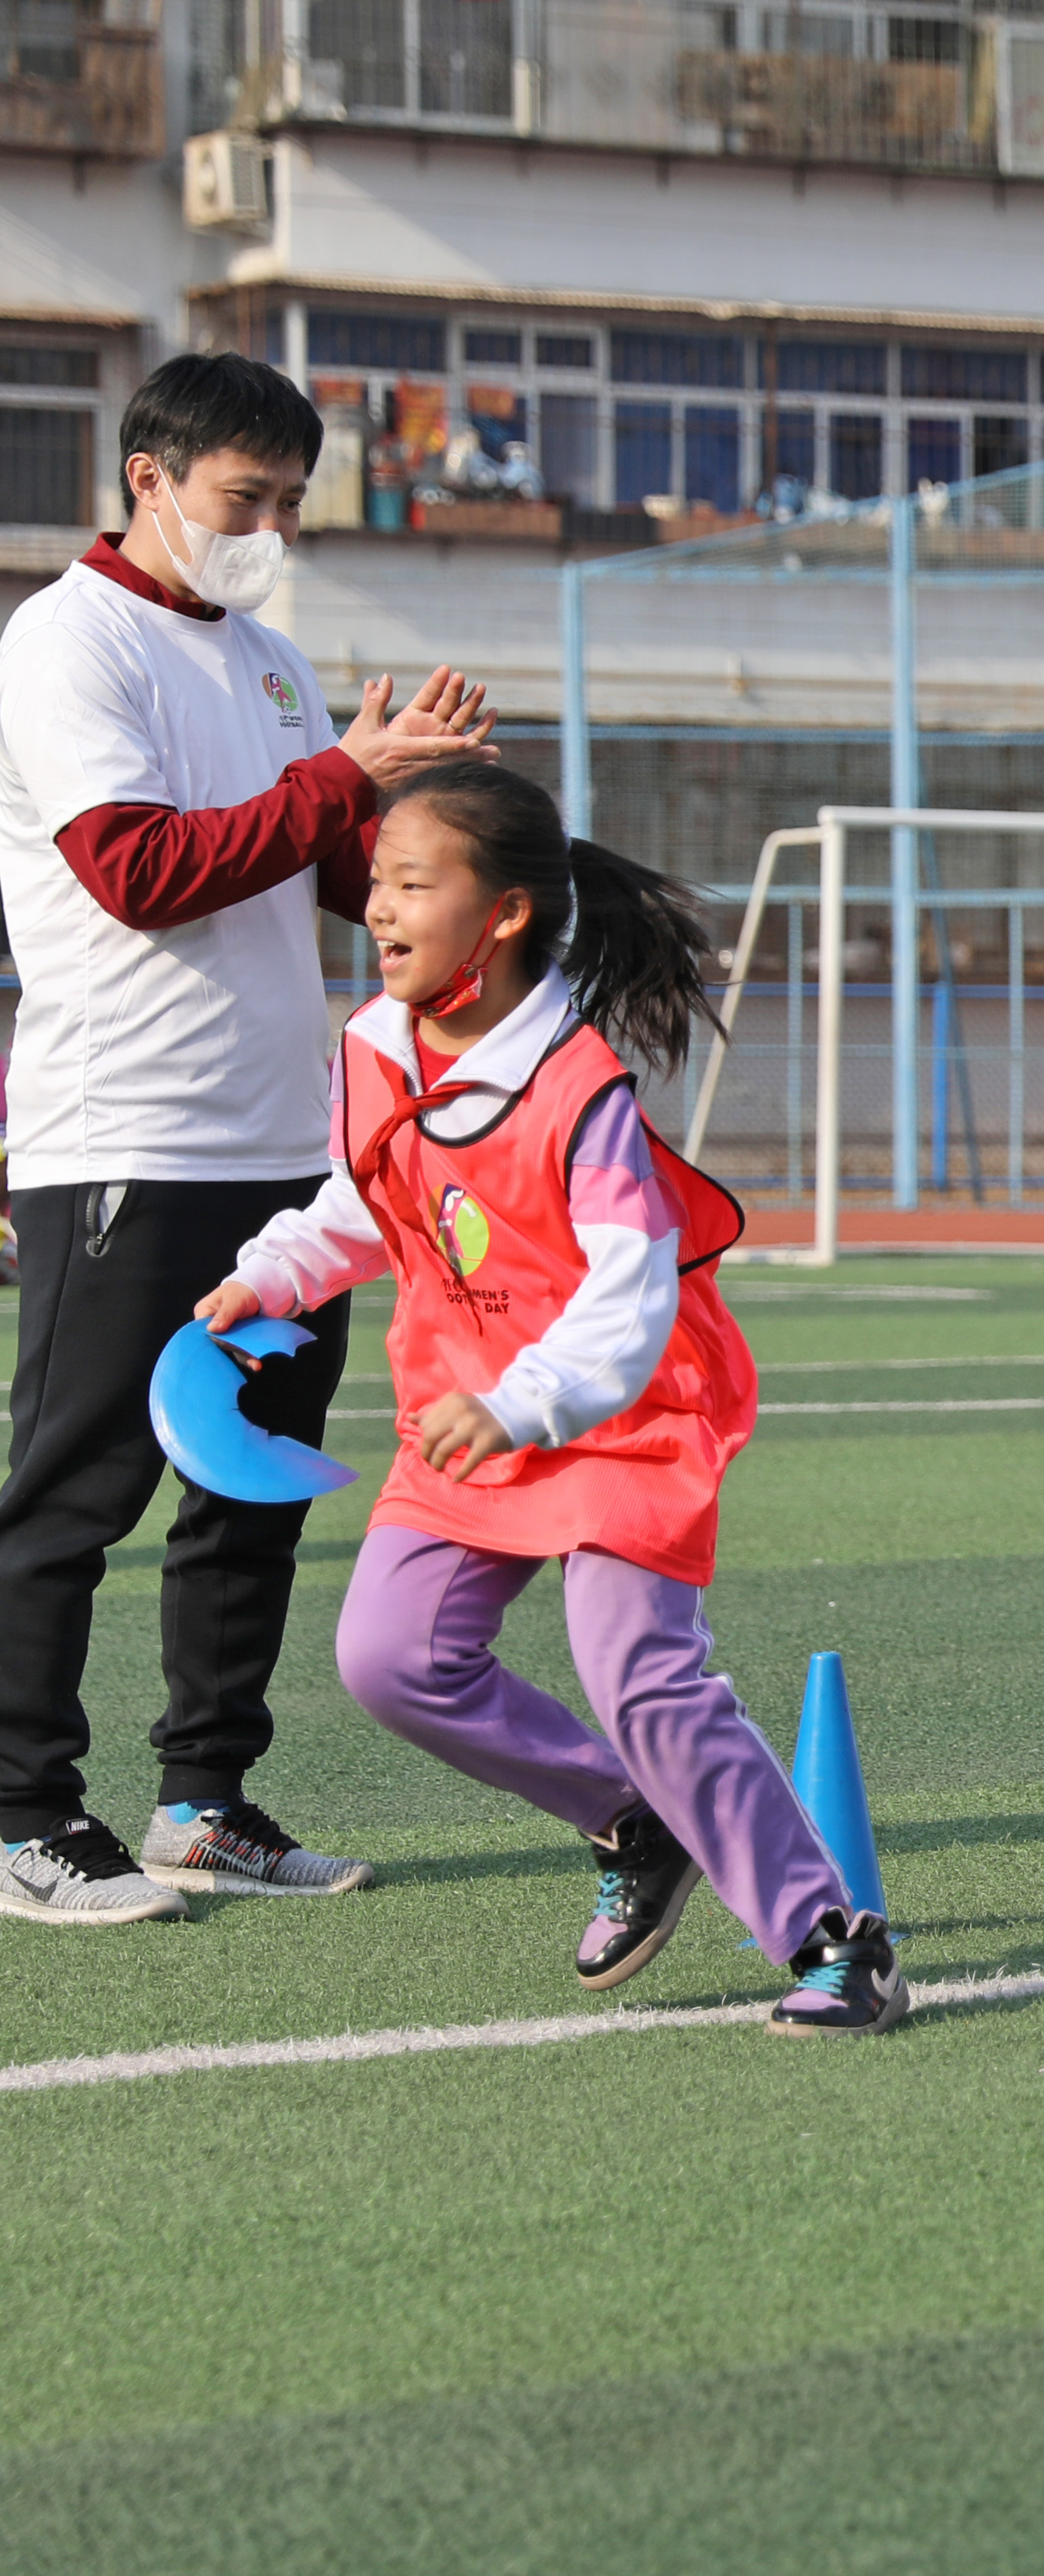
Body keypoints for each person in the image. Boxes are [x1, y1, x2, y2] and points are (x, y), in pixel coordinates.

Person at [199, 760, 904, 2032]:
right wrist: (273, 1273)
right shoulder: (372, 1044)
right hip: (464, 1407)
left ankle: (831, 1932)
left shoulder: (581, 1089)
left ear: (506, 911)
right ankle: (632, 1819)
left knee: (638, 1667)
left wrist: (529, 1402)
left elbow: (631, 1294)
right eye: (377, 884)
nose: (380, 907)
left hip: (620, 1410)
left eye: (414, 882)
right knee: (388, 1657)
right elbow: (377, 1197)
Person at [0, 350, 492, 1928]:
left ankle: (202, 1803)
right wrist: (339, 776)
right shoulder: (65, 644)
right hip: (125, 1139)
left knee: (252, 1486)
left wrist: (412, 817)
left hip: (291, 1157)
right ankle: (19, 1816)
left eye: (290, 503)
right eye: (243, 498)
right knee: (76, 1496)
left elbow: (323, 876)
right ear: (147, 479)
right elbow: (140, 869)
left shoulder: (270, 658)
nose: (269, 526)